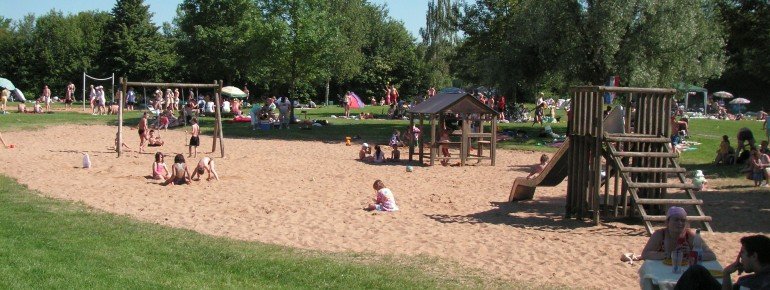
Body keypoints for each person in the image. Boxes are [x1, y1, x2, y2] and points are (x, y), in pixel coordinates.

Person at [674, 235, 770, 290]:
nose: (740, 257)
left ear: (754, 256)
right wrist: (726, 273)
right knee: (697, 271)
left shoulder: (748, 284)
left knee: (695, 272)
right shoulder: (759, 278)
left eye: (743, 253)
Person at [640, 206, 716, 261]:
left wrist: (691, 254)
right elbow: (645, 254)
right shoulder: (660, 234)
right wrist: (669, 254)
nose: (680, 223)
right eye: (676, 220)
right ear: (667, 222)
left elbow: (711, 256)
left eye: (683, 220)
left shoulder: (690, 235)